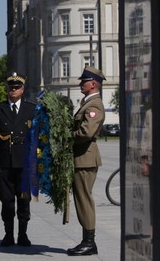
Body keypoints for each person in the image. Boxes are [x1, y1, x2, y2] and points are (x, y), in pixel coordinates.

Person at [0, 72, 37, 247]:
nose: (13, 90)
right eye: (11, 87)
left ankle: (22, 234)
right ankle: (8, 234)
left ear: (22, 90)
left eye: (17, 87)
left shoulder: (31, 109)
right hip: (5, 163)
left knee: (24, 201)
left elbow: (38, 137)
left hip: (24, 164)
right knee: (7, 201)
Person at [68, 66, 106, 256]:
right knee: (81, 200)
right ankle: (87, 240)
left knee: (84, 201)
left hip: (85, 158)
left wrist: (67, 135)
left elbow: (86, 132)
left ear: (93, 84)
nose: (80, 83)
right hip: (81, 158)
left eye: (84, 81)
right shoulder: (87, 103)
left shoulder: (94, 105)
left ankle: (89, 242)